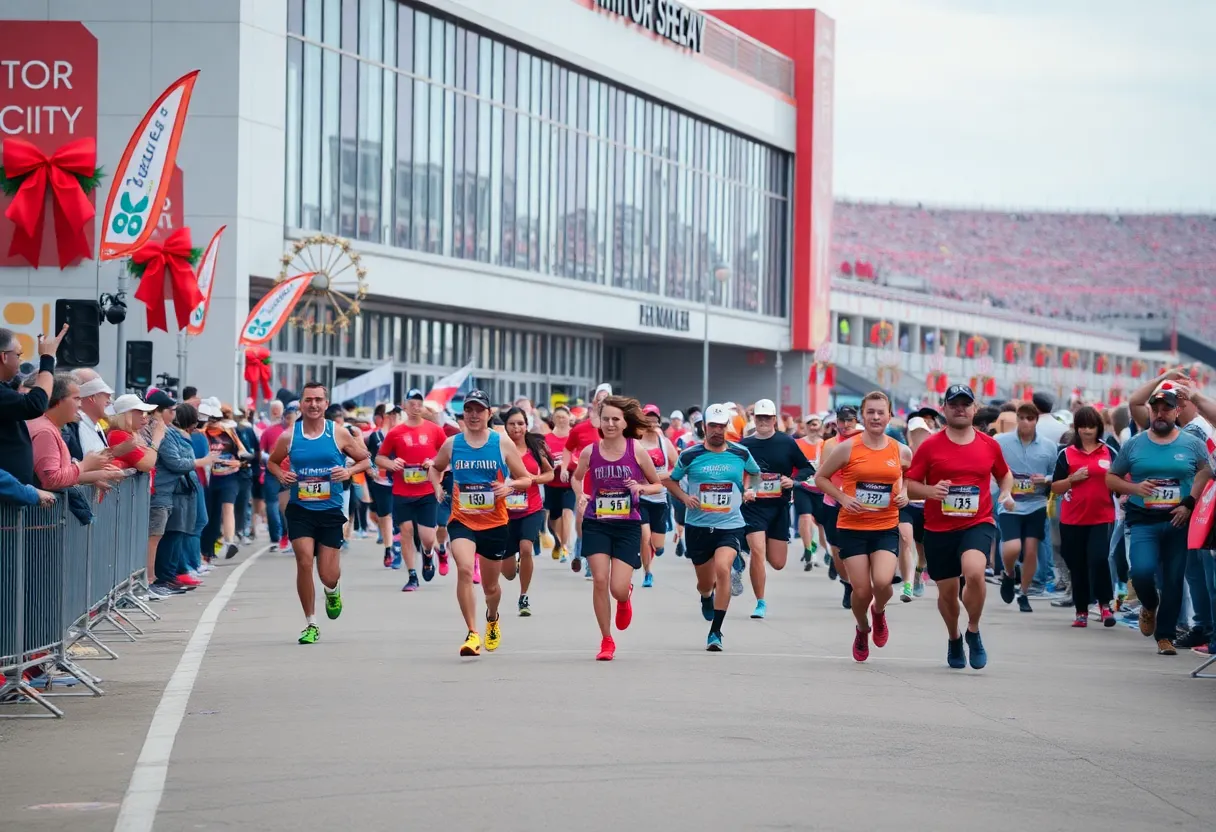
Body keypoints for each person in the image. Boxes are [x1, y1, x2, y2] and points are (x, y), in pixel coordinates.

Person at [905, 385, 1014, 670]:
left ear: (974, 408)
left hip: (977, 522)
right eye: (954, 404)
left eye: (966, 403)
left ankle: (974, 630)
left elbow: (1004, 475)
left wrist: (1006, 493)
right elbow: (911, 484)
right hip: (939, 528)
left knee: (975, 573)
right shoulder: (930, 445)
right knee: (947, 594)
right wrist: (931, 492)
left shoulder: (989, 444)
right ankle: (954, 637)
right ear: (944, 408)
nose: (960, 408)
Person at [1105, 385, 1211, 655]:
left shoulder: (1192, 443)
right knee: (1141, 571)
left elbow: (1205, 472)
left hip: (1178, 520)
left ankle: (1165, 637)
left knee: (1174, 580)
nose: (1160, 414)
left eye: (1167, 409)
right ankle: (1149, 604)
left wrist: (1189, 502)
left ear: (1177, 412)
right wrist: (1135, 489)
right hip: (1144, 519)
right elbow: (1111, 477)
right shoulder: (1135, 443)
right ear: (1150, 411)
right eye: (1156, 409)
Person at [426, 389, 532, 656]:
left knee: (491, 587)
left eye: (479, 410)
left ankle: (492, 618)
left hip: (495, 522)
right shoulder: (452, 444)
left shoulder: (502, 443)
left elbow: (526, 479)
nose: (473, 415)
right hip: (462, 520)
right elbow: (435, 467)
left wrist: (509, 487)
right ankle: (472, 633)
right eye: (469, 410)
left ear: (489, 413)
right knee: (463, 569)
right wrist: (438, 487)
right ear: (464, 413)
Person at [267, 381, 370, 644]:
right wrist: (282, 475)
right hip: (300, 508)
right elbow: (272, 462)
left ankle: (332, 590)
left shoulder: (338, 433)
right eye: (308, 400)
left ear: (325, 404)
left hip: (330, 511)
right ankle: (311, 623)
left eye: (318, 400)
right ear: (301, 404)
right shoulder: (290, 436)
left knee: (327, 574)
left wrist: (347, 471)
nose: (313, 404)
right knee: (303, 561)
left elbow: (365, 459)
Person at [815, 392, 911, 662]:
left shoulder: (900, 450)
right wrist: (843, 498)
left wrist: (904, 492)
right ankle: (862, 627)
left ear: (890, 416)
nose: (876, 417)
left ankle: (878, 612)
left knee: (882, 583)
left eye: (881, 412)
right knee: (861, 590)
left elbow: (908, 477)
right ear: (863, 416)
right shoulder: (846, 448)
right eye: (871, 412)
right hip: (852, 527)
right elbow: (820, 477)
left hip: (885, 525)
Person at [662, 403, 761, 652]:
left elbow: (756, 474)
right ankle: (706, 597)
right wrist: (684, 498)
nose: (717, 430)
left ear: (727, 427)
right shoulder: (690, 455)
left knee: (723, 569)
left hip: (730, 525)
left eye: (721, 426)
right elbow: (670, 481)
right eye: (713, 426)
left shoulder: (740, 453)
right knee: (705, 584)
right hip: (698, 526)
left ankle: (715, 631)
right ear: (704, 427)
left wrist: (752, 490)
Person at [573, 396, 664, 660]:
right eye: (606, 419)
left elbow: (657, 484)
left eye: (616, 419)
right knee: (599, 580)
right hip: (596, 523)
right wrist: (581, 495)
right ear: (599, 422)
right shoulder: (591, 451)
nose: (611, 424)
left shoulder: (636, 450)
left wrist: (642, 488)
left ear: (625, 422)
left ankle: (625, 598)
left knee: (617, 588)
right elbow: (577, 479)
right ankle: (606, 640)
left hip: (627, 526)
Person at [739, 398, 814, 619]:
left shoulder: (787, 442)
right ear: (754, 419)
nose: (763, 421)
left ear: (774, 420)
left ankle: (740, 549)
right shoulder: (745, 445)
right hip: (754, 507)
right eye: (759, 417)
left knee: (778, 563)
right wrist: (744, 490)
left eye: (767, 418)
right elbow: (736, 473)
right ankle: (760, 602)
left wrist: (793, 480)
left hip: (779, 507)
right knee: (758, 552)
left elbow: (806, 468)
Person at [1050, 405, 1117, 628]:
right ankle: (1081, 610)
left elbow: (1121, 479)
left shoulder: (1109, 451)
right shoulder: (1066, 454)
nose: (1087, 431)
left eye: (1092, 426)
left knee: (1098, 559)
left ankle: (1105, 605)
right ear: (1076, 428)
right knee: (1076, 564)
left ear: (1099, 427)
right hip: (1072, 518)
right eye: (1083, 426)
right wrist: (1072, 480)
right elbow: (1056, 487)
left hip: (1102, 516)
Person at [376, 388, 448, 591]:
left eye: (419, 402)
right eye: (412, 403)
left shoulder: (434, 430)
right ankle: (412, 575)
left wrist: (432, 462)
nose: (416, 406)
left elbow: (446, 455)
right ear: (405, 406)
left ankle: (428, 555)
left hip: (426, 492)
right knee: (406, 532)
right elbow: (379, 458)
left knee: (426, 537)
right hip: (402, 492)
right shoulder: (395, 433)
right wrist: (392, 464)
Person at [995, 402, 1060, 612]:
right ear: (1017, 418)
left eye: (1030, 418)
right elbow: (993, 468)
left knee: (1031, 550)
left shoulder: (1049, 447)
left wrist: (1046, 479)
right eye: (1021, 417)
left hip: (1036, 503)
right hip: (1010, 501)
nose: (1025, 422)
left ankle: (1023, 593)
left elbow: (1055, 474)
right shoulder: (1002, 442)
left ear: (1036, 421)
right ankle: (1009, 573)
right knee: (1013, 547)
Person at [28, 374, 123, 491]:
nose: (80, 404)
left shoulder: (49, 427)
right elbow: (51, 480)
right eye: (76, 399)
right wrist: (85, 465)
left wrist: (94, 476)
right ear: (58, 401)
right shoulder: (45, 432)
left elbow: (62, 474)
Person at [502, 406, 554, 616]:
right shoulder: (498, 447)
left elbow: (550, 474)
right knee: (507, 574)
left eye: (520, 423)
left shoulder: (536, 446)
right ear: (505, 426)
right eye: (512, 424)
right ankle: (514, 566)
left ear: (527, 425)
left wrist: (534, 479)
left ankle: (523, 597)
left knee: (526, 548)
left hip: (530, 508)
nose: (517, 428)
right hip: (504, 511)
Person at [0, 324, 67, 485]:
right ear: (3, 357)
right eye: (18, 354)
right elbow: (35, 404)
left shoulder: (5, 389)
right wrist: (47, 359)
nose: (21, 360)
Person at [563, 384, 612, 577]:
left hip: (608, 482)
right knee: (583, 518)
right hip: (585, 479)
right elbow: (568, 448)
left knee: (602, 521)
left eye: (607, 399)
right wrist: (565, 468)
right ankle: (583, 549)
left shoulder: (616, 427)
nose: (603, 403)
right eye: (600, 399)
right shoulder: (581, 428)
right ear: (594, 402)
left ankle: (589, 554)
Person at [821, 405, 861, 607]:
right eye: (842, 420)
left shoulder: (864, 440)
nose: (846, 425)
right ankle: (847, 584)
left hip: (860, 503)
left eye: (850, 420)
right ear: (836, 422)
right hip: (834, 502)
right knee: (837, 549)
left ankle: (860, 584)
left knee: (857, 547)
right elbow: (822, 476)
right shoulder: (830, 444)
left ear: (856, 421)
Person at [199, 399, 245, 560]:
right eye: (211, 420)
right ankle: (207, 552)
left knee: (228, 507)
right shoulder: (202, 434)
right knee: (210, 515)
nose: (214, 424)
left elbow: (244, 454)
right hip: (209, 479)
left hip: (229, 477)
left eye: (217, 420)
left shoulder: (229, 432)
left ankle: (229, 542)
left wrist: (238, 462)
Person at [637, 403, 677, 589]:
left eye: (654, 419)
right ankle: (648, 572)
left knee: (657, 544)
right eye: (648, 418)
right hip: (641, 497)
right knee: (644, 537)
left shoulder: (664, 442)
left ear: (659, 421)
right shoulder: (636, 442)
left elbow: (678, 467)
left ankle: (653, 550)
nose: (651, 422)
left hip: (659, 498)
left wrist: (661, 476)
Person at [902, 408, 940, 597]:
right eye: (913, 431)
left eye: (922, 431)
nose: (918, 435)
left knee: (921, 550)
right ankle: (907, 585)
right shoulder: (902, 452)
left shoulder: (934, 453)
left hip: (926, 506)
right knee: (906, 540)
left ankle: (918, 572)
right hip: (906, 505)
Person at [365, 403, 401, 567]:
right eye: (390, 414)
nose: (393, 416)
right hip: (381, 482)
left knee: (399, 518)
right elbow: (368, 456)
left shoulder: (403, 434)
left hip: (401, 481)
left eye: (396, 413)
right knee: (385, 516)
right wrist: (371, 470)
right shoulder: (375, 436)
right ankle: (388, 549)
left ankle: (397, 547)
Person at [543, 404, 575, 562]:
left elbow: (580, 455)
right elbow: (542, 459)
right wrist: (551, 465)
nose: (561, 420)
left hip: (570, 481)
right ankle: (559, 541)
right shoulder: (547, 438)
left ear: (570, 418)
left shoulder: (574, 436)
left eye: (564, 417)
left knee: (567, 513)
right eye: (558, 417)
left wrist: (567, 464)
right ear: (553, 420)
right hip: (552, 483)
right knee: (553, 519)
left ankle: (565, 546)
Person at [260, 399, 289, 552]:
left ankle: (282, 536)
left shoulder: (298, 432)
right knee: (275, 505)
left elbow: (261, 453)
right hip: (275, 472)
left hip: (286, 473)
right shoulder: (269, 431)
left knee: (280, 505)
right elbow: (261, 452)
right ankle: (279, 536)